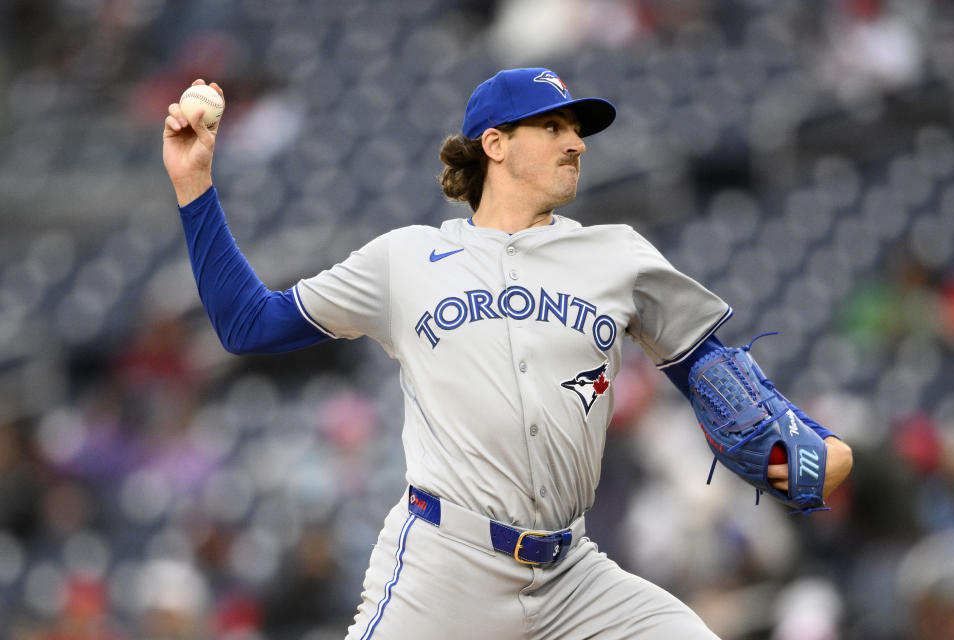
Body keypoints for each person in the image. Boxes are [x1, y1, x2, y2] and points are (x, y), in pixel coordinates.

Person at [162, 68, 854, 639]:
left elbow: (710, 366)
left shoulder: (617, 255)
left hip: (570, 576)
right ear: (494, 143)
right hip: (444, 569)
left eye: (578, 129)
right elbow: (248, 325)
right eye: (553, 126)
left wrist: (789, 444)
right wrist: (194, 188)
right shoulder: (405, 259)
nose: (576, 142)